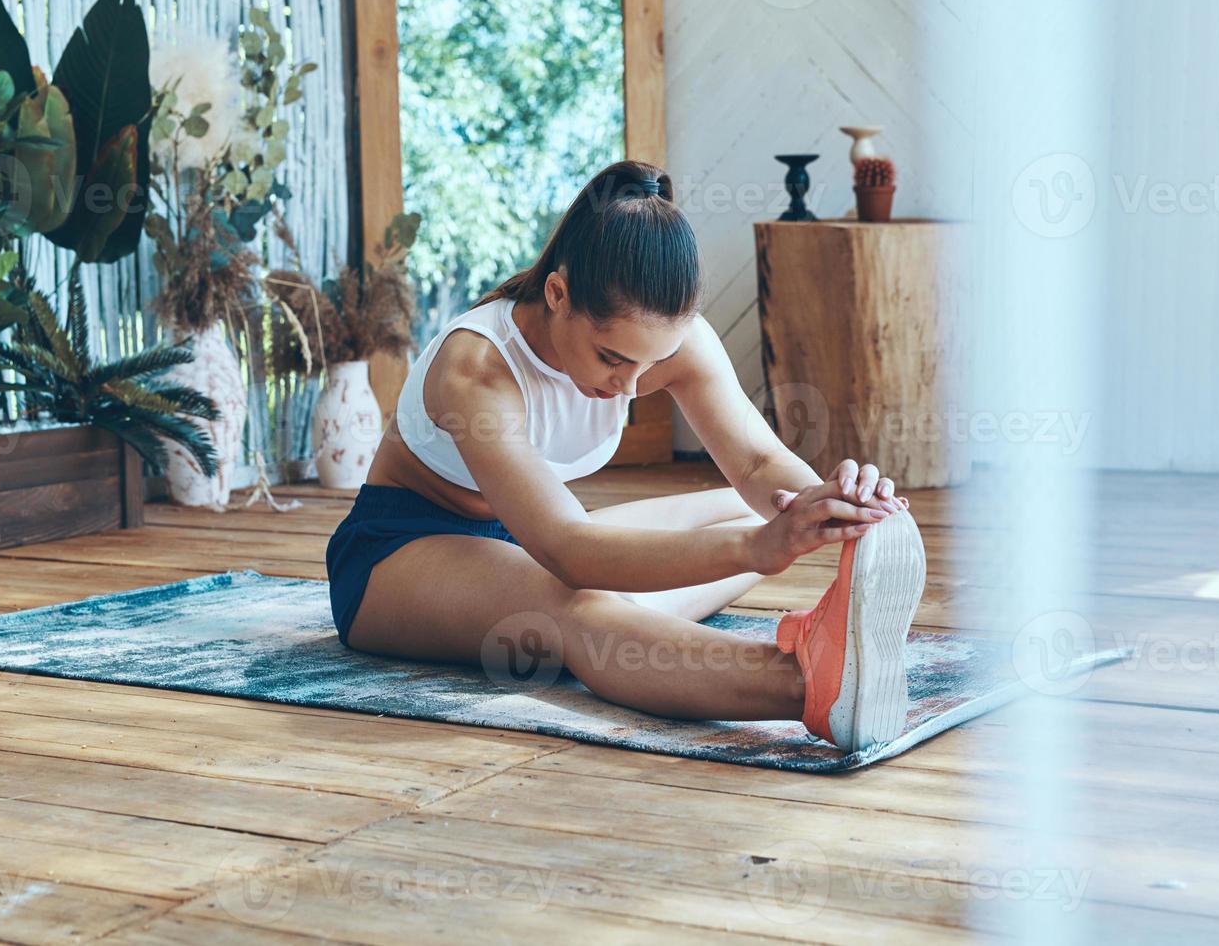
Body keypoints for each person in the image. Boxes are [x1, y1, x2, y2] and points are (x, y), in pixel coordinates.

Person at [325, 159, 927, 751]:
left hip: (521, 546)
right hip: (398, 557)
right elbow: (567, 551)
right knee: (576, 606)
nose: (632, 386)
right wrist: (759, 551)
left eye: (650, 362)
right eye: (612, 358)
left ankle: (826, 627)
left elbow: (755, 466)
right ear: (557, 293)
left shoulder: (666, 341)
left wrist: (835, 508)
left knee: (753, 512)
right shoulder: (477, 368)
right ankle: (812, 681)